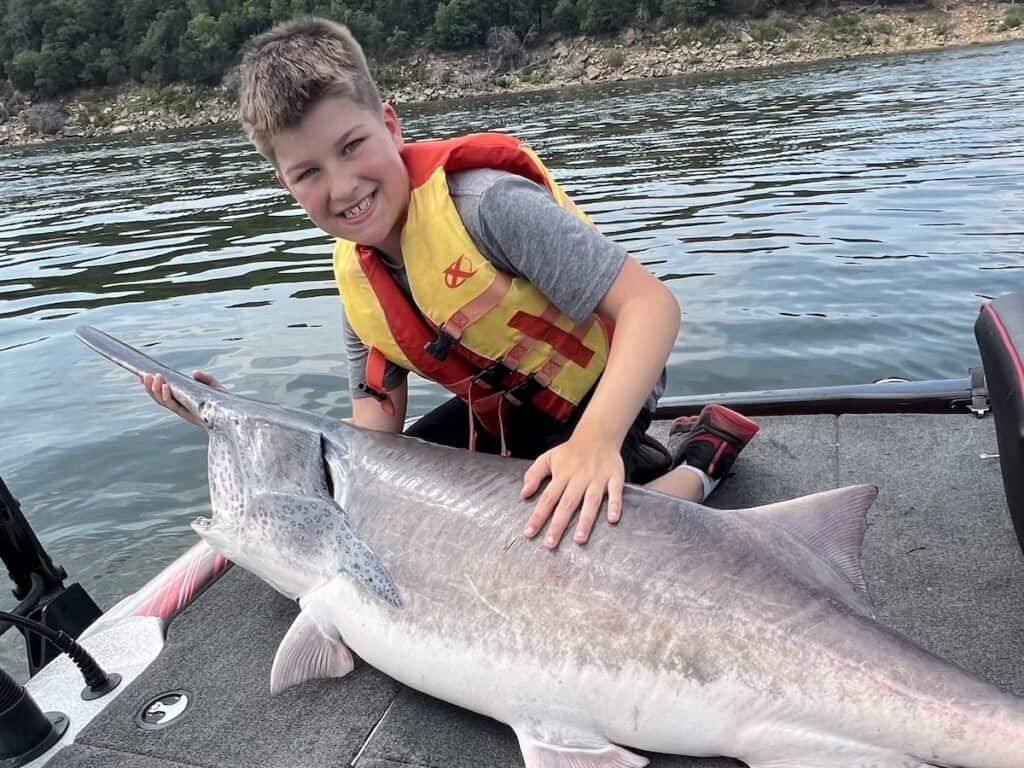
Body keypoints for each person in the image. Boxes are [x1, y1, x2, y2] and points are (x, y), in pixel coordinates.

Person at [142, 17, 759, 550]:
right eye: (308, 171)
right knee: (387, 498)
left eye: (353, 145)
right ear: (286, 184)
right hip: (504, 414)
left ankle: (700, 461)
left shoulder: (486, 204)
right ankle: (623, 463)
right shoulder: (359, 281)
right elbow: (371, 438)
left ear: (390, 125)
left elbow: (651, 305)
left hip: (603, 392)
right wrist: (231, 423)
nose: (343, 186)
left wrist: (595, 440)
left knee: (573, 542)